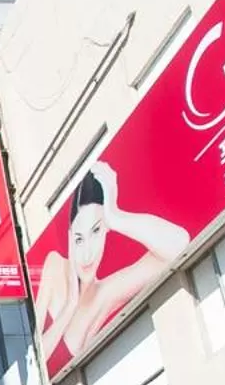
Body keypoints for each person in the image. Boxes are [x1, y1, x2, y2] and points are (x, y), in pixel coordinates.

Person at [30, 159, 191, 372]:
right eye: (79, 239)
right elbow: (35, 359)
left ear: (106, 229)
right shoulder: (54, 265)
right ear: (70, 238)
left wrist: (116, 217)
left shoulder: (106, 293)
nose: (87, 253)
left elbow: (179, 244)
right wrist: (70, 306)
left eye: (96, 232)